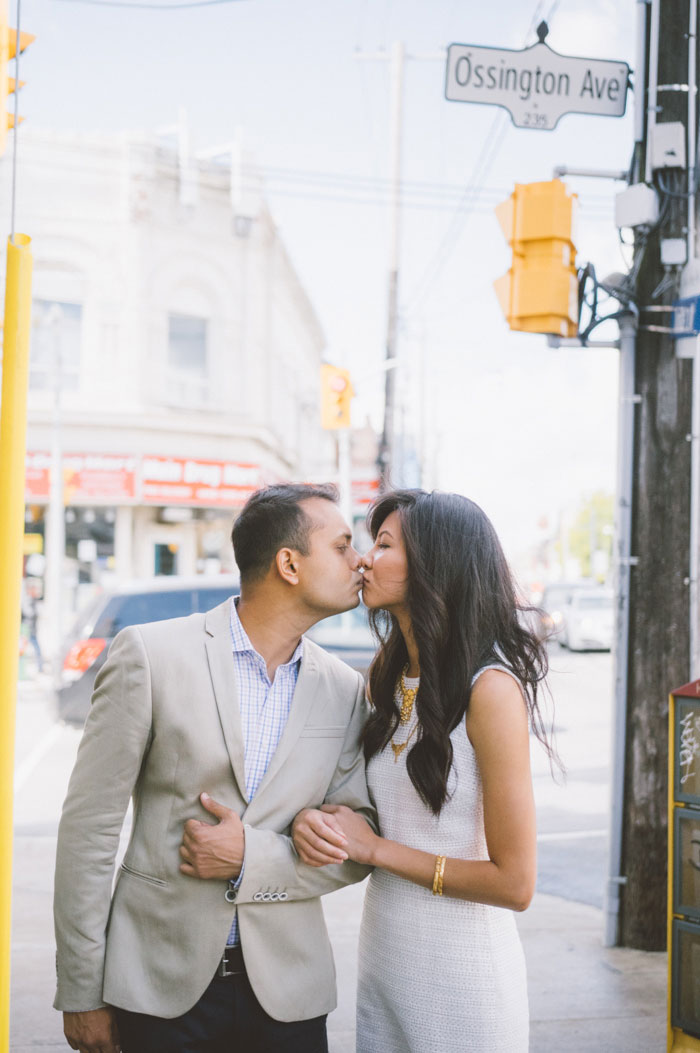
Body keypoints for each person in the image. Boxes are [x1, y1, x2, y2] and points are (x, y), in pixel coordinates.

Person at [54, 482, 377, 1053]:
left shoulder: (344, 689)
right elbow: (89, 830)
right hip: (156, 988)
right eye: (344, 545)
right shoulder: (149, 655)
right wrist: (82, 990)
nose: (362, 560)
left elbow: (357, 849)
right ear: (289, 563)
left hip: (290, 994)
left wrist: (250, 854)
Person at [293, 489, 558, 1053]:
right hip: (386, 964)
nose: (364, 559)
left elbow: (516, 884)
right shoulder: (388, 674)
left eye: (384, 545)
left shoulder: (490, 690)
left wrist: (375, 850)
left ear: (433, 565)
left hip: (465, 983)